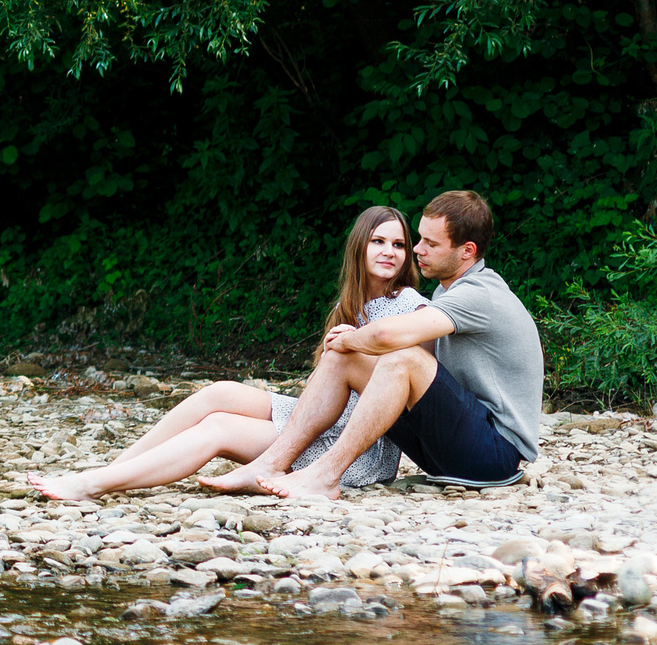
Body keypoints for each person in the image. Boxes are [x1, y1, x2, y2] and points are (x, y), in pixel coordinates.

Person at [27, 206, 430, 503]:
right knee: (218, 392)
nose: (389, 251)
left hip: (354, 447)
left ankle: (93, 485)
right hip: (317, 422)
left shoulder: (411, 307)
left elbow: (407, 385)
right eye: (378, 241)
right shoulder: (352, 304)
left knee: (219, 427)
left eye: (398, 244)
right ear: (359, 246)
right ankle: (112, 470)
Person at [205, 188, 543, 502]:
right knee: (343, 357)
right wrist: (346, 348)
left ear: (467, 251)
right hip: (452, 449)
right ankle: (272, 463)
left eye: (431, 243)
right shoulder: (447, 291)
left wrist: (350, 336)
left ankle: (325, 475)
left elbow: (387, 337)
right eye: (420, 238)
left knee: (403, 358)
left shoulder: (479, 294)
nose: (416, 249)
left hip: (494, 456)